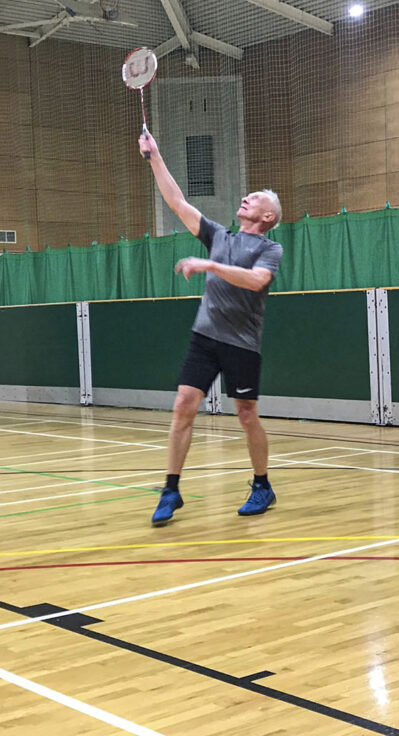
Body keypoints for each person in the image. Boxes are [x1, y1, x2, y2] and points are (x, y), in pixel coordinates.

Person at [138, 131, 283, 526]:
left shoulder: (270, 250)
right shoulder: (218, 235)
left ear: (267, 217)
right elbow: (177, 201)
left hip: (241, 344)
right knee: (184, 405)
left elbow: (256, 282)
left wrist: (210, 266)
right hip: (205, 338)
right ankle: (171, 489)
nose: (246, 198)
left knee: (247, 413)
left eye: (255, 199)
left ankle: (262, 485)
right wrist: (154, 156)